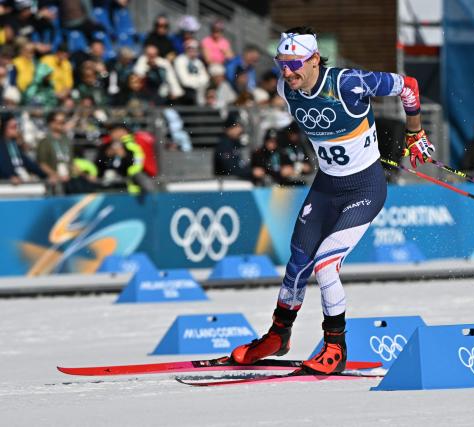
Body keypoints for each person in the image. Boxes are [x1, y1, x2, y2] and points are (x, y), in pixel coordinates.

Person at [228, 27, 434, 375]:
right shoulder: (284, 88)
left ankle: (335, 347)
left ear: (313, 60)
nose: (287, 72)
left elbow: (408, 85)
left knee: (326, 265)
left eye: (294, 64)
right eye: (282, 64)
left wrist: (415, 132)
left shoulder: (348, 83)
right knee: (297, 263)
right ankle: (278, 336)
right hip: (326, 188)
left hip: (364, 189)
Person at [0, 114, 47, 184]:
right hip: (7, 185)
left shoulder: (14, 144)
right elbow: (2, 165)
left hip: (20, 180)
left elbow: (28, 163)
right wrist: (9, 177)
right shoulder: (2, 145)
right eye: (13, 127)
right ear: (4, 128)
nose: (17, 130)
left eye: (17, 127)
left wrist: (46, 175)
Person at [174, 39, 210, 105]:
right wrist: (198, 81)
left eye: (195, 48)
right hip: (185, 91)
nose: (192, 51)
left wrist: (195, 81)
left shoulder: (198, 62)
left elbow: (205, 79)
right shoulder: (180, 60)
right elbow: (184, 81)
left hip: (199, 89)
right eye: (190, 48)